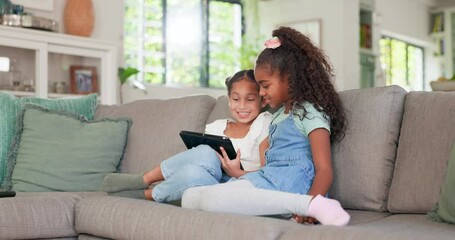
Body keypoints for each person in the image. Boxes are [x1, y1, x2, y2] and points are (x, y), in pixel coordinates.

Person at [181, 26, 350, 226]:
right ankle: (296, 205)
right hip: (268, 179)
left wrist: (314, 198)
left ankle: (311, 205)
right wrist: (241, 175)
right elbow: (270, 168)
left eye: (265, 85)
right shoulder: (276, 116)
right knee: (189, 197)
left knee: (210, 200)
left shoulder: (310, 112)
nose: (261, 92)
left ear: (290, 78)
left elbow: (324, 169)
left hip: (293, 185)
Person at [100, 69, 272, 202]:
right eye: (236, 99)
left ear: (262, 100)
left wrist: (237, 172)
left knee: (200, 163)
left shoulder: (263, 123)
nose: (242, 106)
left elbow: (269, 173)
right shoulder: (216, 126)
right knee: (199, 161)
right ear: (229, 99)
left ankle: (148, 194)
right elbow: (201, 165)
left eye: (250, 99)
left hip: (235, 184)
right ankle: (143, 180)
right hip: (208, 180)